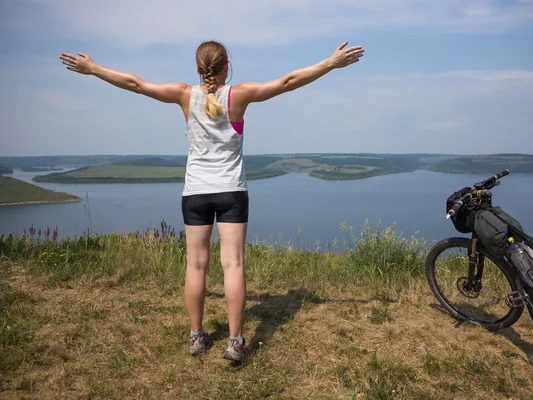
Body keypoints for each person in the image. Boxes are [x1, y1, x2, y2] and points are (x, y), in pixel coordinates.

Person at [59, 40, 364, 361]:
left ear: (198, 68)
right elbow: (288, 82)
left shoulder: (182, 94)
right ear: (226, 66)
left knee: (195, 264)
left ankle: (196, 337)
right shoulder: (240, 94)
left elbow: (134, 84)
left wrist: (93, 69)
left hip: (195, 193)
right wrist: (330, 63)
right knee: (232, 264)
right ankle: (235, 342)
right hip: (231, 191)